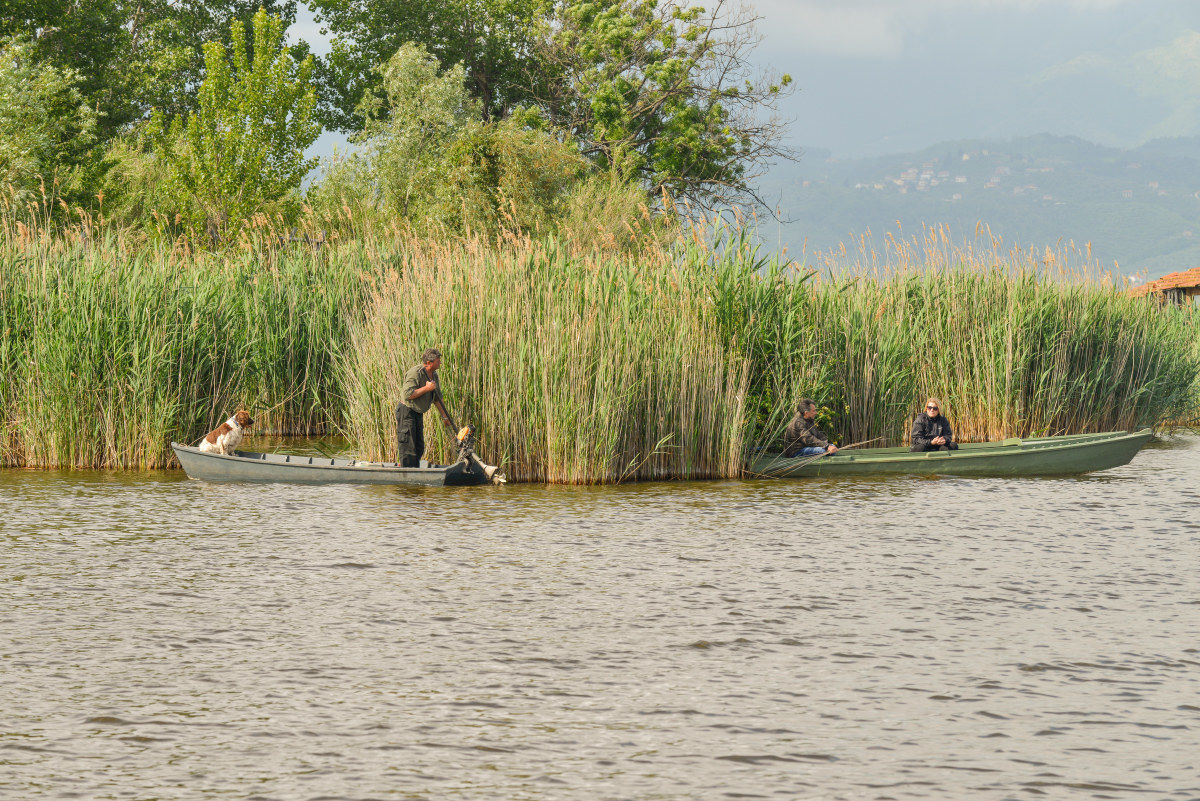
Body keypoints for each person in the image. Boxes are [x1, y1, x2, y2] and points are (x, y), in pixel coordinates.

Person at [396, 348, 442, 467]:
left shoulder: (434, 375)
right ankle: (406, 474)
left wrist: (445, 418)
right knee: (408, 445)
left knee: (419, 446)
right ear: (429, 363)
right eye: (438, 361)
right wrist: (427, 388)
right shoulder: (415, 373)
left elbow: (437, 398)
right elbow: (408, 394)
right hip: (406, 411)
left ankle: (413, 470)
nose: (440, 363)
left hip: (418, 412)